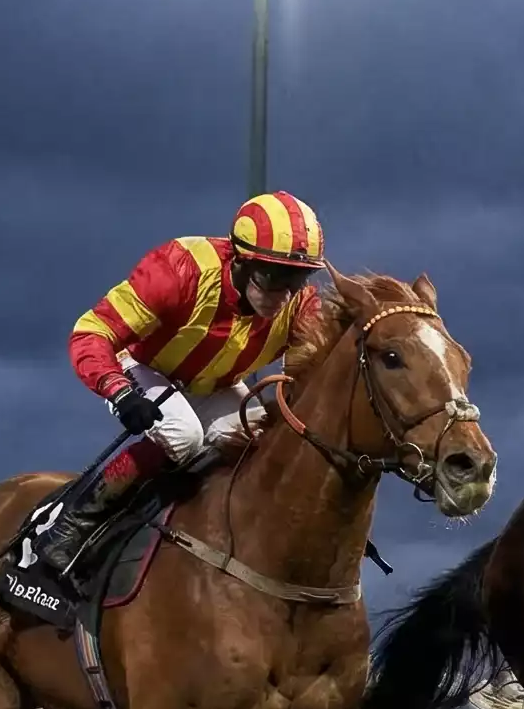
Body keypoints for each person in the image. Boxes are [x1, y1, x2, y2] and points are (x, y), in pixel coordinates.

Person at [37, 191, 329, 581]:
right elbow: (91, 332)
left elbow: (310, 377)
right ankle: (72, 524)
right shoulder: (179, 269)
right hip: (142, 367)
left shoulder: (300, 304)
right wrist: (120, 391)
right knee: (183, 434)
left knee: (263, 442)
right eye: (275, 277)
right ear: (241, 259)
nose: (285, 295)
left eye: (298, 279)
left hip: (215, 384)